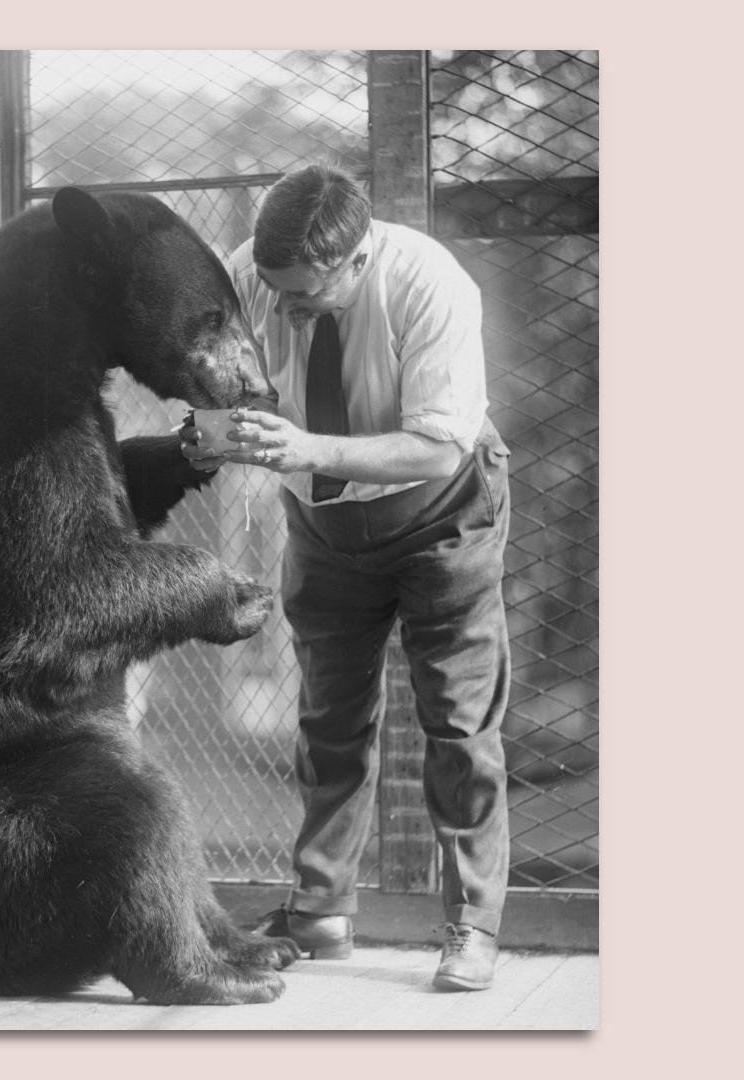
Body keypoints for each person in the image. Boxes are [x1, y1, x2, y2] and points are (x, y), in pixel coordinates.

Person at [180, 164, 513, 991]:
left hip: (443, 514)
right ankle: (322, 910)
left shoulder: (429, 283)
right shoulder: (252, 275)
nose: (284, 312)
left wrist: (313, 450)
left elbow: (440, 443)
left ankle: (473, 921)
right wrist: (209, 435)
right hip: (324, 526)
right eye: (274, 291)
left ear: (358, 259)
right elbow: (227, 399)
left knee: (458, 724)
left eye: (305, 297)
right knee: (329, 720)